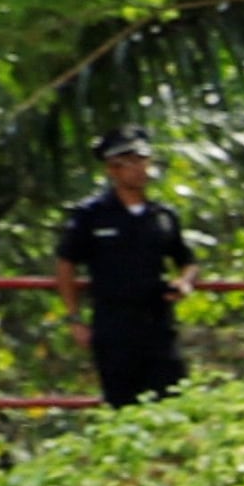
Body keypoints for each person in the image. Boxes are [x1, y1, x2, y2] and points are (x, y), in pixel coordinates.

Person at [52, 136, 197, 411]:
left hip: (158, 323)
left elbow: (186, 259)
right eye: (130, 163)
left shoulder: (162, 216)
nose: (140, 169)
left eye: (143, 161)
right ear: (113, 170)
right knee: (122, 402)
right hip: (114, 323)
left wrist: (184, 281)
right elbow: (66, 264)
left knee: (172, 400)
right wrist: (74, 317)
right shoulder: (91, 216)